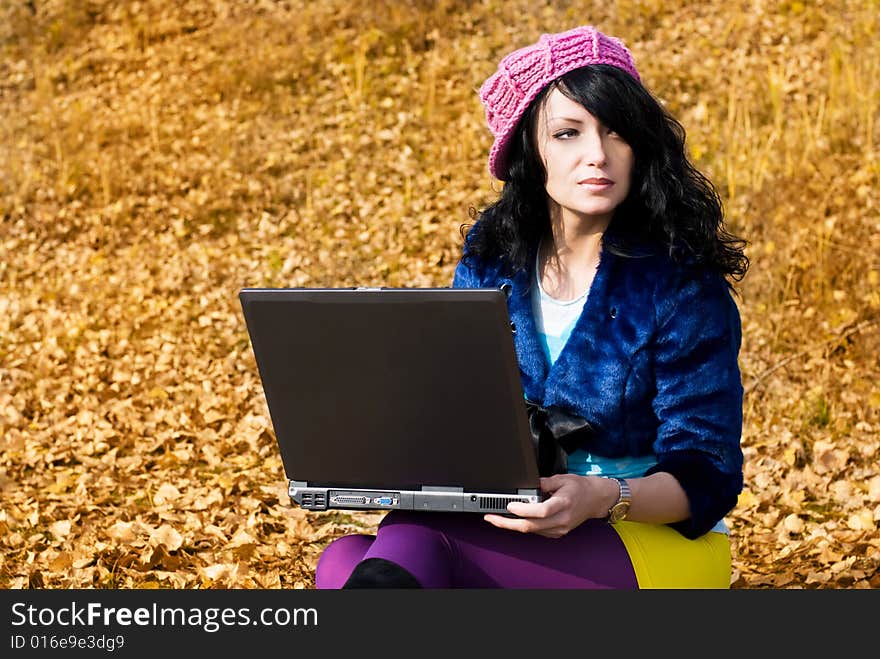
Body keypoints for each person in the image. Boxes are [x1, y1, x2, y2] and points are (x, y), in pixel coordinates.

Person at [314, 24, 749, 589]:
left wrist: (598, 497)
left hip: (650, 538)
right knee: (345, 558)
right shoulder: (492, 261)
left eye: (616, 134)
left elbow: (707, 475)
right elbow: (461, 415)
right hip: (516, 524)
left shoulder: (681, 283)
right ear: (530, 150)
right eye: (568, 133)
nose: (597, 155)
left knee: (401, 554)